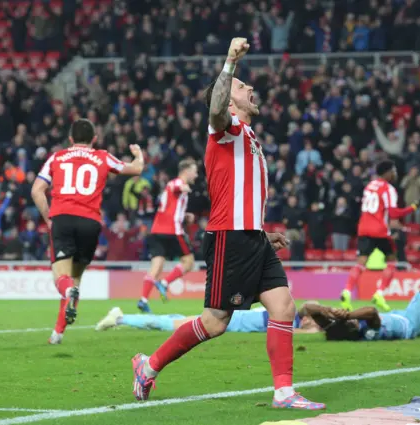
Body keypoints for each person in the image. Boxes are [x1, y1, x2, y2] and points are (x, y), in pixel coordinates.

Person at [131, 38, 325, 410]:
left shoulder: (249, 136)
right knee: (216, 322)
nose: (249, 87)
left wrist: (261, 232)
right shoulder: (223, 127)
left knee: (283, 307)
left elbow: (239, 194)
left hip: (251, 237)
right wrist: (229, 64)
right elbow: (216, 106)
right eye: (241, 86)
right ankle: (149, 365)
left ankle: (284, 392)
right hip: (228, 239)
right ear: (230, 100)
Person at [31, 119, 144, 345]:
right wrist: (138, 153)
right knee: (75, 278)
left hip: (63, 218)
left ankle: (67, 296)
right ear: (94, 139)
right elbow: (136, 168)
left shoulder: (57, 157)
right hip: (90, 223)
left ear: (70, 139)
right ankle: (58, 333)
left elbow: (37, 190)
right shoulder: (103, 156)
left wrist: (49, 218)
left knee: (61, 278)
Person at [340, 160, 417, 312]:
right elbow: (394, 214)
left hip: (363, 228)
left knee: (361, 261)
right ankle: (379, 293)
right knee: (392, 259)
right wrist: (412, 208)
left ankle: (347, 291)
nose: (395, 173)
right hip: (379, 230)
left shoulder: (370, 185)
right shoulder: (388, 189)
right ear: (387, 172)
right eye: (393, 170)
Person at [304, 276, 420, 341]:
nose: (355, 321)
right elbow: (371, 312)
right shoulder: (369, 332)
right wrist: (347, 314)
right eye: (353, 322)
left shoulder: (336, 329)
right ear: (352, 326)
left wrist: (326, 310)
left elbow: (307, 308)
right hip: (408, 323)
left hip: (396, 317)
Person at [138, 159, 199, 313]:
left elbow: (171, 207)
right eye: (194, 171)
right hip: (172, 231)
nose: (196, 175)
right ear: (186, 171)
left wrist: (185, 215)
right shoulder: (176, 183)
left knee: (156, 266)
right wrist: (185, 187)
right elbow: (177, 187)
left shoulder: (171, 186)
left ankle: (143, 300)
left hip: (157, 230)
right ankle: (164, 284)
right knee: (189, 262)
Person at [96, 307, 320, 334]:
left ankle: (121, 317)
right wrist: (311, 332)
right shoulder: (285, 316)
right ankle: (120, 318)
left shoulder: (285, 318)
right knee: (168, 325)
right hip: (222, 318)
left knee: (173, 321)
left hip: (225, 319)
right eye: (314, 321)